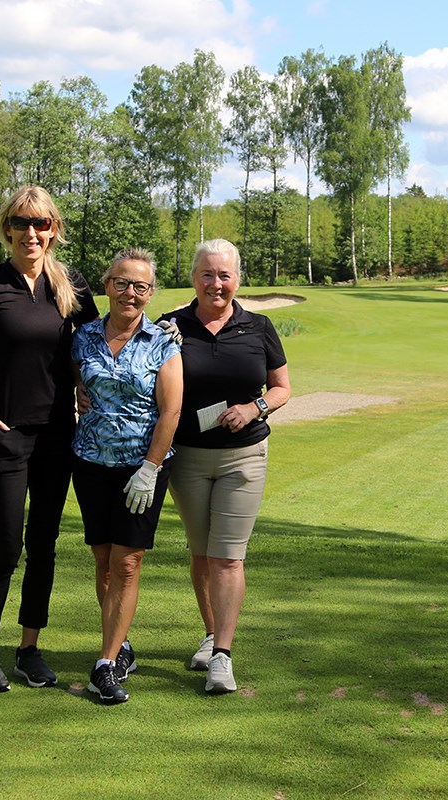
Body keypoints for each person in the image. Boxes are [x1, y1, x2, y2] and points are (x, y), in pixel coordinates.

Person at [0, 185, 99, 693]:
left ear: (54, 230)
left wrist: (84, 387)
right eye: (22, 223)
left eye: (42, 224)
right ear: (7, 228)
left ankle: (29, 647)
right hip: (5, 433)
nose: (32, 233)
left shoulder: (70, 287)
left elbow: (94, 348)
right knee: (7, 545)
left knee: (45, 545)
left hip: (57, 435)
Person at [161, 238, 291, 694]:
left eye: (225, 275)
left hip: (245, 456)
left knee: (227, 557)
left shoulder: (258, 326)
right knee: (201, 555)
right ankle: (212, 632)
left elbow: (281, 388)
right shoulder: (170, 326)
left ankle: (223, 655)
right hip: (189, 460)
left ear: (238, 278)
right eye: (207, 274)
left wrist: (254, 408)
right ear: (194, 277)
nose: (217, 284)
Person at [71, 248, 182, 705]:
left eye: (139, 286)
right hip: (90, 463)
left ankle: (105, 664)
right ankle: (120, 646)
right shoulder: (82, 337)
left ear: (151, 293)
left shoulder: (163, 342)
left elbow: (171, 410)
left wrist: (150, 469)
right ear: (106, 285)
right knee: (102, 560)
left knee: (127, 562)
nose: (129, 293)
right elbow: (55, 376)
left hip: (142, 468)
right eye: (121, 283)